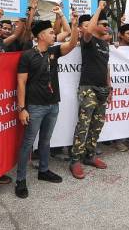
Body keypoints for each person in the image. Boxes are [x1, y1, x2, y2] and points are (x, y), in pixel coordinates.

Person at [14, 10, 79, 198]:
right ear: (41, 35)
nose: (54, 35)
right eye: (51, 32)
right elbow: (21, 83)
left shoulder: (53, 52)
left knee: (45, 140)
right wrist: (22, 109)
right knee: (27, 143)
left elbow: (73, 43)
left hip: (53, 105)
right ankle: (20, 180)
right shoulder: (27, 56)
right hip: (34, 106)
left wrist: (74, 25)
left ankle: (43, 171)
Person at [69, 1, 111, 179]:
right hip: (88, 89)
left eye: (108, 25)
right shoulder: (88, 40)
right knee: (84, 126)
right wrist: (100, 8)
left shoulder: (105, 44)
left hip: (102, 90)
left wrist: (109, 88)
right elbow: (87, 31)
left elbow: (106, 67)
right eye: (104, 24)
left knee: (97, 125)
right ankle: (75, 160)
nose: (107, 27)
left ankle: (90, 155)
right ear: (96, 25)